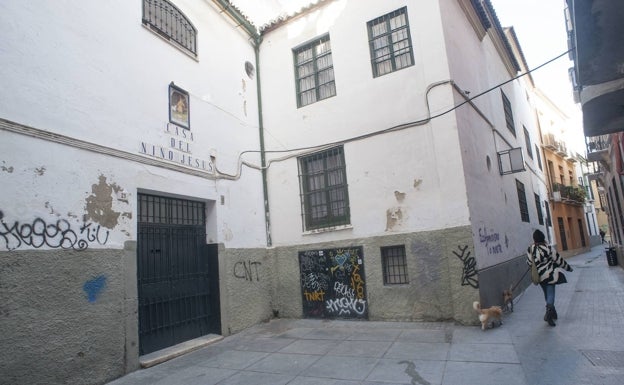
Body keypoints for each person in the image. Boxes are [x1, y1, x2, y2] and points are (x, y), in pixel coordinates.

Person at [527, 229, 573, 327]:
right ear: (543, 237)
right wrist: (568, 268)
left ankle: (552, 312)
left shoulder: (530, 249)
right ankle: (549, 314)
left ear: (534, 239)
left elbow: (529, 263)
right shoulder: (548, 247)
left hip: (540, 277)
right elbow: (558, 259)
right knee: (550, 294)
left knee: (547, 294)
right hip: (550, 275)